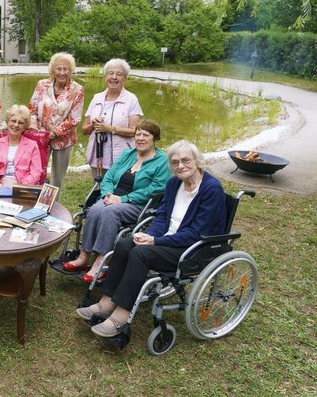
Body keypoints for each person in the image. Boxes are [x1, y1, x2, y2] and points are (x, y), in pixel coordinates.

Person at [75, 140, 227, 342]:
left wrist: (155, 240)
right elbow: (162, 216)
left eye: (185, 160)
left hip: (192, 248)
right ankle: (105, 303)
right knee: (125, 244)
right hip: (165, 239)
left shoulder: (211, 189)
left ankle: (120, 316)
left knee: (140, 254)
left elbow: (197, 232)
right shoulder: (174, 183)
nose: (180, 166)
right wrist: (148, 235)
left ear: (198, 161)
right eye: (175, 162)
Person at [62, 120, 170, 282]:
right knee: (95, 209)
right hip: (112, 197)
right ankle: (84, 255)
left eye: (145, 135)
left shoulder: (162, 162)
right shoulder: (128, 154)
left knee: (110, 212)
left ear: (155, 139)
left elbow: (154, 189)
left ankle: (100, 262)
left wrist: (123, 198)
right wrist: (107, 194)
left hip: (137, 204)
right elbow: (109, 177)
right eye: (138, 134)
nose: (140, 138)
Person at [29, 52, 84, 187]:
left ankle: (54, 205)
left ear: (70, 71)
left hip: (64, 140)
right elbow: (32, 109)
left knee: (57, 179)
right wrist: (35, 129)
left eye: (65, 69)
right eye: (58, 68)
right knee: (37, 172)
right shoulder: (42, 85)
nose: (62, 72)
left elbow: (74, 119)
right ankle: (36, 202)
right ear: (53, 70)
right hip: (41, 137)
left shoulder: (77, 90)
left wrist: (53, 134)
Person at [83, 58, 143, 180]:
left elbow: (135, 131)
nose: (114, 77)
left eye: (119, 74)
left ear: (125, 78)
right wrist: (93, 125)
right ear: (105, 76)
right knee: (98, 188)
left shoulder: (131, 99)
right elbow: (84, 130)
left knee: (118, 190)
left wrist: (110, 129)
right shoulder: (96, 98)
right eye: (111, 73)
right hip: (97, 155)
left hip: (121, 157)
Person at [0, 105, 43, 187]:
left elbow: (36, 172)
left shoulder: (32, 145)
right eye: (13, 121)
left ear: (25, 127)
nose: (16, 125)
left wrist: (21, 186)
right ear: (8, 122)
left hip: (22, 186)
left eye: (20, 122)